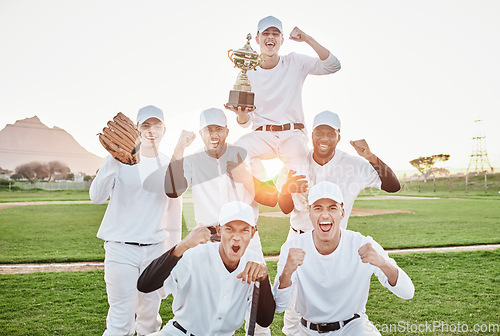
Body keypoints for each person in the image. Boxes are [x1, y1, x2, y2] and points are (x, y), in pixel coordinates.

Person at [277, 110, 401, 335]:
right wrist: (287, 189)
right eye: (319, 133)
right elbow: (285, 207)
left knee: (336, 300)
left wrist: (370, 156)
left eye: (329, 134)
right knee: (293, 307)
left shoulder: (352, 164)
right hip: (299, 236)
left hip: (335, 243)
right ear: (311, 135)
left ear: (339, 137)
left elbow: (393, 185)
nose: (324, 139)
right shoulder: (295, 162)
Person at [274, 181, 414, 336]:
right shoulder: (293, 248)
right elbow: (280, 305)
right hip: (308, 330)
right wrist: (287, 271)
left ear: (342, 212)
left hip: (354, 327)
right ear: (310, 213)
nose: (325, 215)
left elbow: (408, 292)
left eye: (332, 208)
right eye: (318, 208)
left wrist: (382, 263)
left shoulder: (362, 244)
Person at [90, 105, 182, 336]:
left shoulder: (168, 163)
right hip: (121, 249)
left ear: (164, 130)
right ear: (137, 129)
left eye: (157, 125)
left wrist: (172, 255)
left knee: (150, 322)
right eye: (145, 125)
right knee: (121, 321)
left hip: (154, 251)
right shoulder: (117, 160)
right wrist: (113, 160)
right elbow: (96, 197)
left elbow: (174, 213)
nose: (151, 131)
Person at [225, 15, 341, 178]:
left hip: (293, 135)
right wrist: (242, 116)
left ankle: (288, 189)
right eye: (266, 33)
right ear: (257, 39)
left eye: (275, 33)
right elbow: (246, 123)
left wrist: (307, 39)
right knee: (234, 155)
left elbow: (333, 66)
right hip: (262, 136)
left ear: (281, 40)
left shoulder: (295, 62)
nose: (271, 37)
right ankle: (267, 188)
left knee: (300, 184)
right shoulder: (248, 72)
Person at [137, 201, 276, 336]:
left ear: (253, 232)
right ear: (219, 230)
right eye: (229, 229)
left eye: (244, 230)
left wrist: (263, 279)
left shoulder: (254, 263)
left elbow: (264, 320)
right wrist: (183, 245)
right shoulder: (195, 253)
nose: (236, 237)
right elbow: (145, 285)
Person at [165, 107, 278, 258]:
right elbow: (173, 190)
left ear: (227, 132)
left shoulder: (245, 154)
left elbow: (271, 199)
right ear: (201, 134)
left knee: (252, 280)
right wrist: (180, 147)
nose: (213, 134)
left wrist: (244, 177)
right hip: (209, 242)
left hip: (246, 240)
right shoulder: (193, 160)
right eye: (208, 129)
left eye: (218, 129)